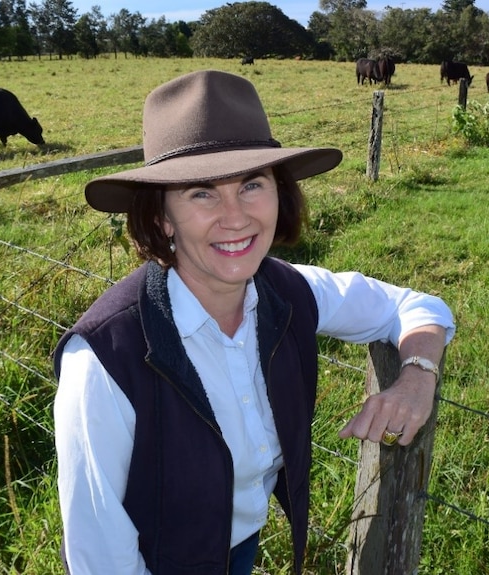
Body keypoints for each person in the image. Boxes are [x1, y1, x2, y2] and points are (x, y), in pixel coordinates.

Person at [53, 69, 455, 575]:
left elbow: (416, 306)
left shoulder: (287, 292)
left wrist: (417, 377)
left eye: (251, 184)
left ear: (278, 193)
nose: (236, 216)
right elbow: (99, 561)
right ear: (161, 217)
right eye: (201, 192)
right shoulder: (104, 360)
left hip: (242, 548)